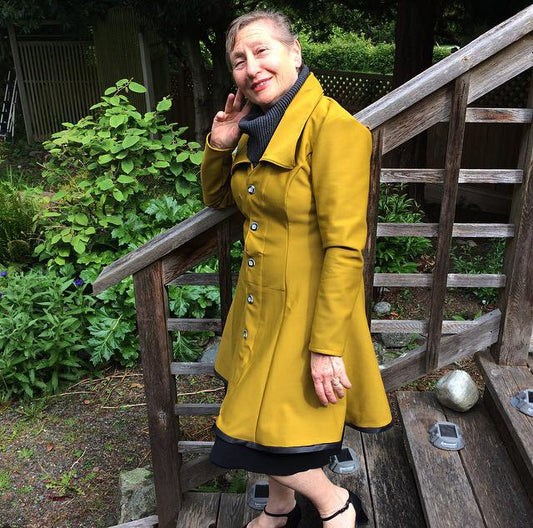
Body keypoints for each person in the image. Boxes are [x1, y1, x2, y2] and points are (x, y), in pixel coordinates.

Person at [200, 9, 393, 528]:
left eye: (262, 51)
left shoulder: (334, 129)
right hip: (258, 302)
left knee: (264, 427)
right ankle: (281, 507)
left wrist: (327, 344)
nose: (251, 66)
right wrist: (220, 143)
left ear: (295, 53)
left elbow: (347, 247)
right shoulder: (255, 128)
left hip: (307, 308)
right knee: (265, 418)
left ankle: (335, 505)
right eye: (239, 60)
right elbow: (221, 198)